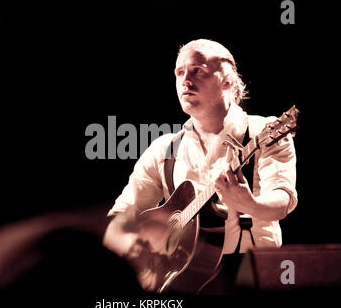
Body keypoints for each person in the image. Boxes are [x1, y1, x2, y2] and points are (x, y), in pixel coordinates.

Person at [103, 39, 298, 294]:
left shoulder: (264, 131)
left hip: (253, 277)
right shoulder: (165, 148)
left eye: (197, 70)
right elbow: (121, 216)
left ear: (227, 81)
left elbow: (282, 201)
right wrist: (134, 248)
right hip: (180, 285)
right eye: (179, 72)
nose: (185, 80)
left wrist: (248, 204)